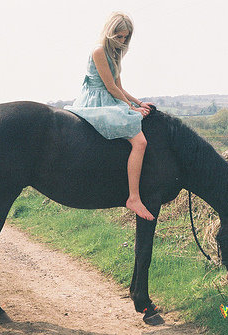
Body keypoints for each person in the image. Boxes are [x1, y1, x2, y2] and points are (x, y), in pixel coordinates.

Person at [65, 12, 155, 221]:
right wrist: (131, 110)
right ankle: (133, 197)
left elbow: (120, 87)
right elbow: (110, 87)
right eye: (119, 37)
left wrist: (139, 102)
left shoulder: (115, 52)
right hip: (98, 101)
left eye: (125, 37)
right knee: (140, 142)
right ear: (110, 32)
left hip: (112, 97)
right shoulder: (99, 51)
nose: (122, 41)